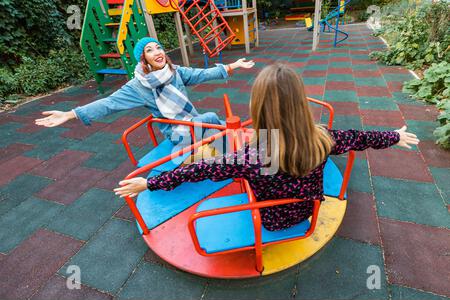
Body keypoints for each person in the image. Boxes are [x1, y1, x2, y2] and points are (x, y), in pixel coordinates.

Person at [113, 63, 419, 231]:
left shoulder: (253, 156)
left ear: (259, 108)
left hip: (270, 220)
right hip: (307, 211)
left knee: (222, 167)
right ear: (300, 102)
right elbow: (360, 138)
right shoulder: (322, 137)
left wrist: (149, 182)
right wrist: (393, 135)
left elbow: (199, 170)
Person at [35, 37, 254, 145]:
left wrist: (233, 65)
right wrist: (70, 114)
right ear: (144, 59)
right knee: (212, 118)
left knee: (213, 120)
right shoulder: (138, 86)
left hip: (192, 121)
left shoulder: (174, 71)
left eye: (158, 47)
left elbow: (201, 74)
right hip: (176, 131)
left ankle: (236, 143)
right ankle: (235, 151)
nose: (157, 51)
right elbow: (108, 104)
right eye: (150, 50)